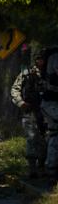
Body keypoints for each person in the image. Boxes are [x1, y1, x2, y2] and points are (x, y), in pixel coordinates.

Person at [11, 53, 46, 178]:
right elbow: (15, 89)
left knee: (46, 139)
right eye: (38, 58)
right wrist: (21, 103)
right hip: (30, 110)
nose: (40, 61)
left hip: (48, 112)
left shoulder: (50, 73)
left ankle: (43, 166)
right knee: (32, 138)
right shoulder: (26, 73)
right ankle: (32, 169)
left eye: (42, 58)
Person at [40, 47, 58, 187]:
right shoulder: (55, 55)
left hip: (50, 102)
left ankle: (51, 169)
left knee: (54, 134)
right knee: (55, 134)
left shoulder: (52, 54)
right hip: (52, 102)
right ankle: (52, 170)